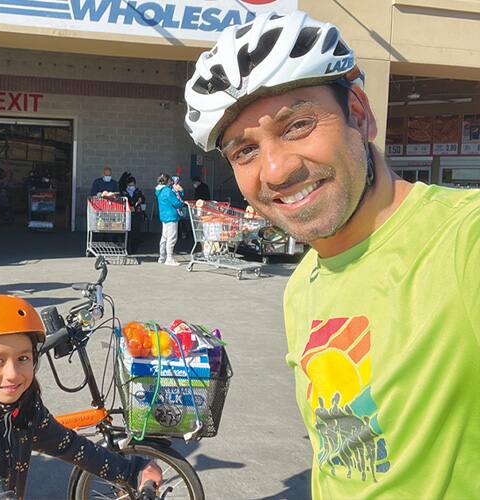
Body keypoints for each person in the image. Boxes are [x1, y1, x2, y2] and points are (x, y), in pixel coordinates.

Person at [184, 10, 479, 499]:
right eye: (244, 152)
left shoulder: (461, 241)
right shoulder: (303, 285)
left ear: (359, 114)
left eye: (297, 125)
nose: (275, 171)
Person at [0, 295, 162, 499]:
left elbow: (69, 445)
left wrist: (132, 470)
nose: (12, 374)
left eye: (23, 358)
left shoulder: (22, 408)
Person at [155, 173, 184, 266]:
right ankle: (169, 258)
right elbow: (177, 202)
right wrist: (180, 192)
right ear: (167, 181)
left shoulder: (159, 190)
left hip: (164, 216)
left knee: (164, 237)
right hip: (171, 216)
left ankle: (162, 257)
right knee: (171, 238)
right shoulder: (167, 191)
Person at [120, 174, 145, 253]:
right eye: (130, 185)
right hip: (126, 214)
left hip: (136, 215)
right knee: (127, 233)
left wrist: (140, 200)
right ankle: (126, 249)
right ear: (127, 185)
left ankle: (134, 250)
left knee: (136, 233)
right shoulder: (124, 192)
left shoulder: (138, 191)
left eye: (133, 185)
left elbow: (143, 199)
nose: (132, 187)